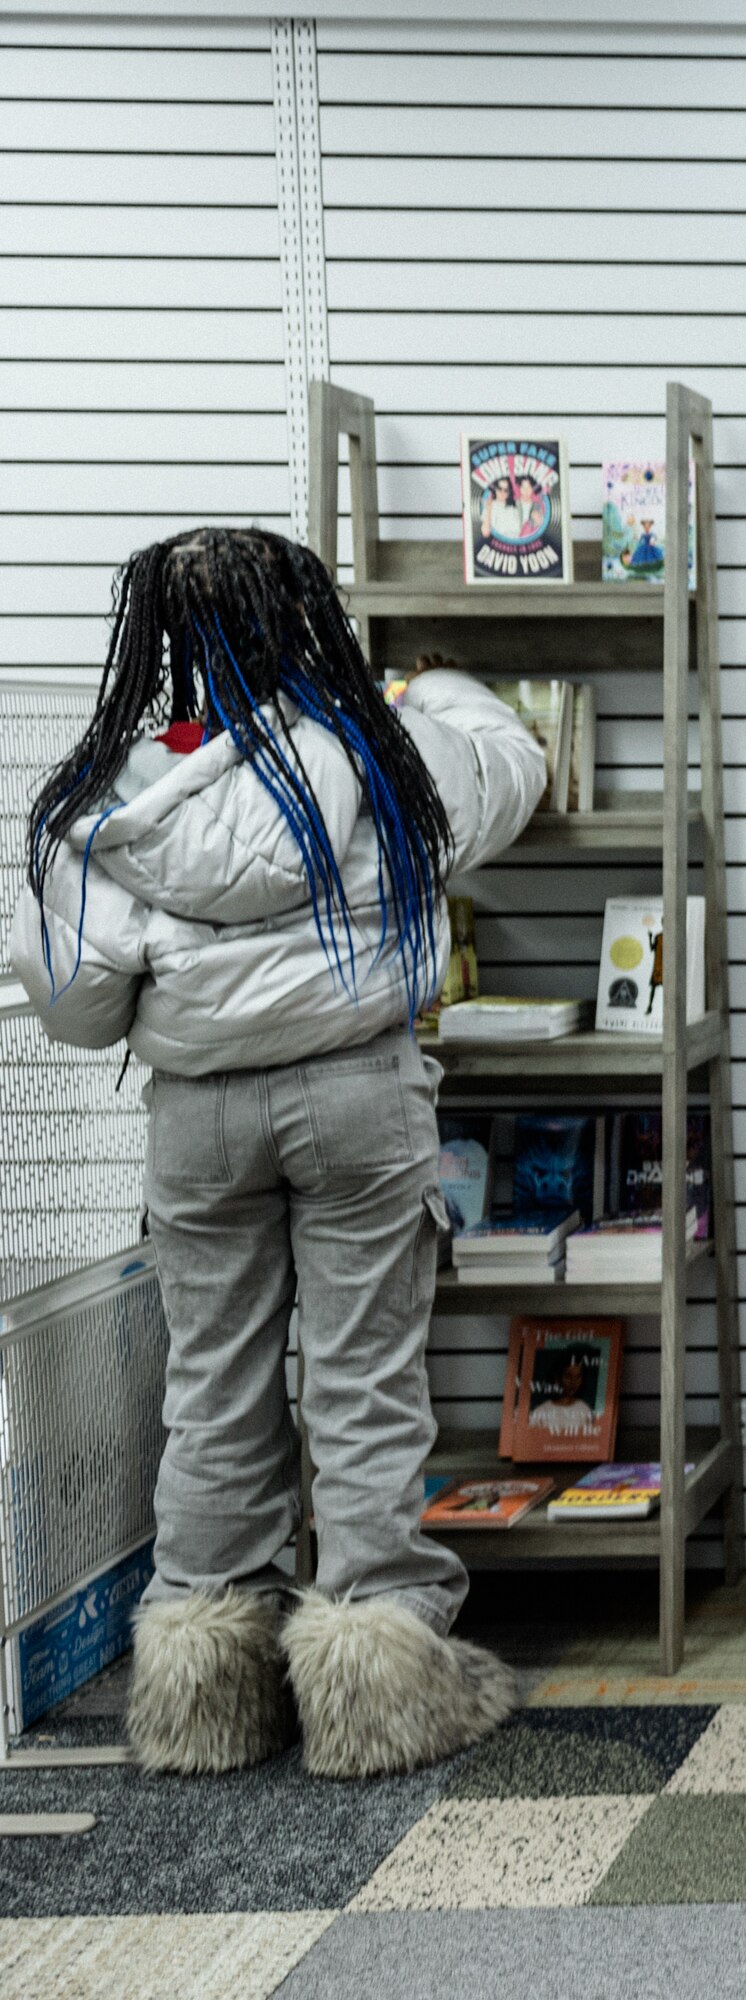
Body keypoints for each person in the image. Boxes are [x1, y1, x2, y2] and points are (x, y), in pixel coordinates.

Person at [9, 528, 546, 1778]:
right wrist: (439, 684)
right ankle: (375, 1691)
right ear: (311, 624)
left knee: (211, 1387)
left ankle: (205, 1693)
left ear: (161, 645)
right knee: (363, 1381)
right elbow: (511, 773)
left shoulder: (115, 799)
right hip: (361, 1097)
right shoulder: (388, 750)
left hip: (196, 1118)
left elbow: (82, 1005)